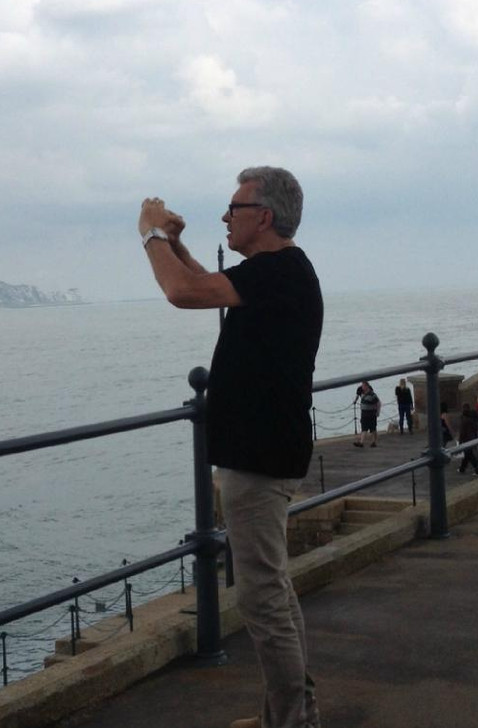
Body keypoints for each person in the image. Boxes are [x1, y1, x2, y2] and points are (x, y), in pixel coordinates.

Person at [138, 166, 323, 728]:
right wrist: (175, 243)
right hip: (266, 450)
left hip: (260, 457)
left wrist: (148, 234)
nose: (225, 216)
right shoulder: (275, 273)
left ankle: (292, 723)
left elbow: (181, 291)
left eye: (234, 208)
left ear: (262, 217)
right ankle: (289, 713)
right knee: (274, 591)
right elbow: (203, 283)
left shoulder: (279, 272)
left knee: (262, 599)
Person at [457, 403, 478, 476]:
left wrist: (460, 440)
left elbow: (462, 432)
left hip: (466, 439)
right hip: (472, 437)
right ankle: (462, 468)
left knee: (469, 455)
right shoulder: (472, 419)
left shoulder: (464, 420)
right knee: (467, 454)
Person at [353, 381, 381, 447]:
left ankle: (374, 442)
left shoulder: (372, 395)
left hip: (371, 414)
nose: (362, 387)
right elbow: (357, 396)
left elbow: (378, 403)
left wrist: (378, 412)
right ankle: (361, 442)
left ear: (367, 386)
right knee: (364, 428)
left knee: (373, 429)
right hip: (364, 413)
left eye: (363, 386)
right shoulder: (362, 394)